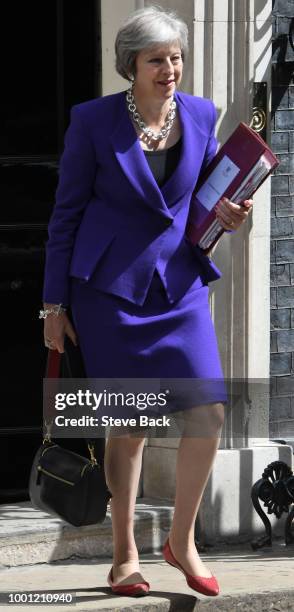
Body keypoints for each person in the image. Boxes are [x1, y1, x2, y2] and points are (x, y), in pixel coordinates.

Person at [41, 5, 253, 598]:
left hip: (178, 287)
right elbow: (65, 217)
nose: (171, 69)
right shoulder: (93, 121)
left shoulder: (203, 115)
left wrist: (231, 214)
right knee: (130, 424)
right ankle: (123, 555)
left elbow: (211, 197)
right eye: (157, 59)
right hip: (109, 291)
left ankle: (180, 541)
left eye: (177, 57)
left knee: (207, 413)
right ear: (129, 64)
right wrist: (52, 306)